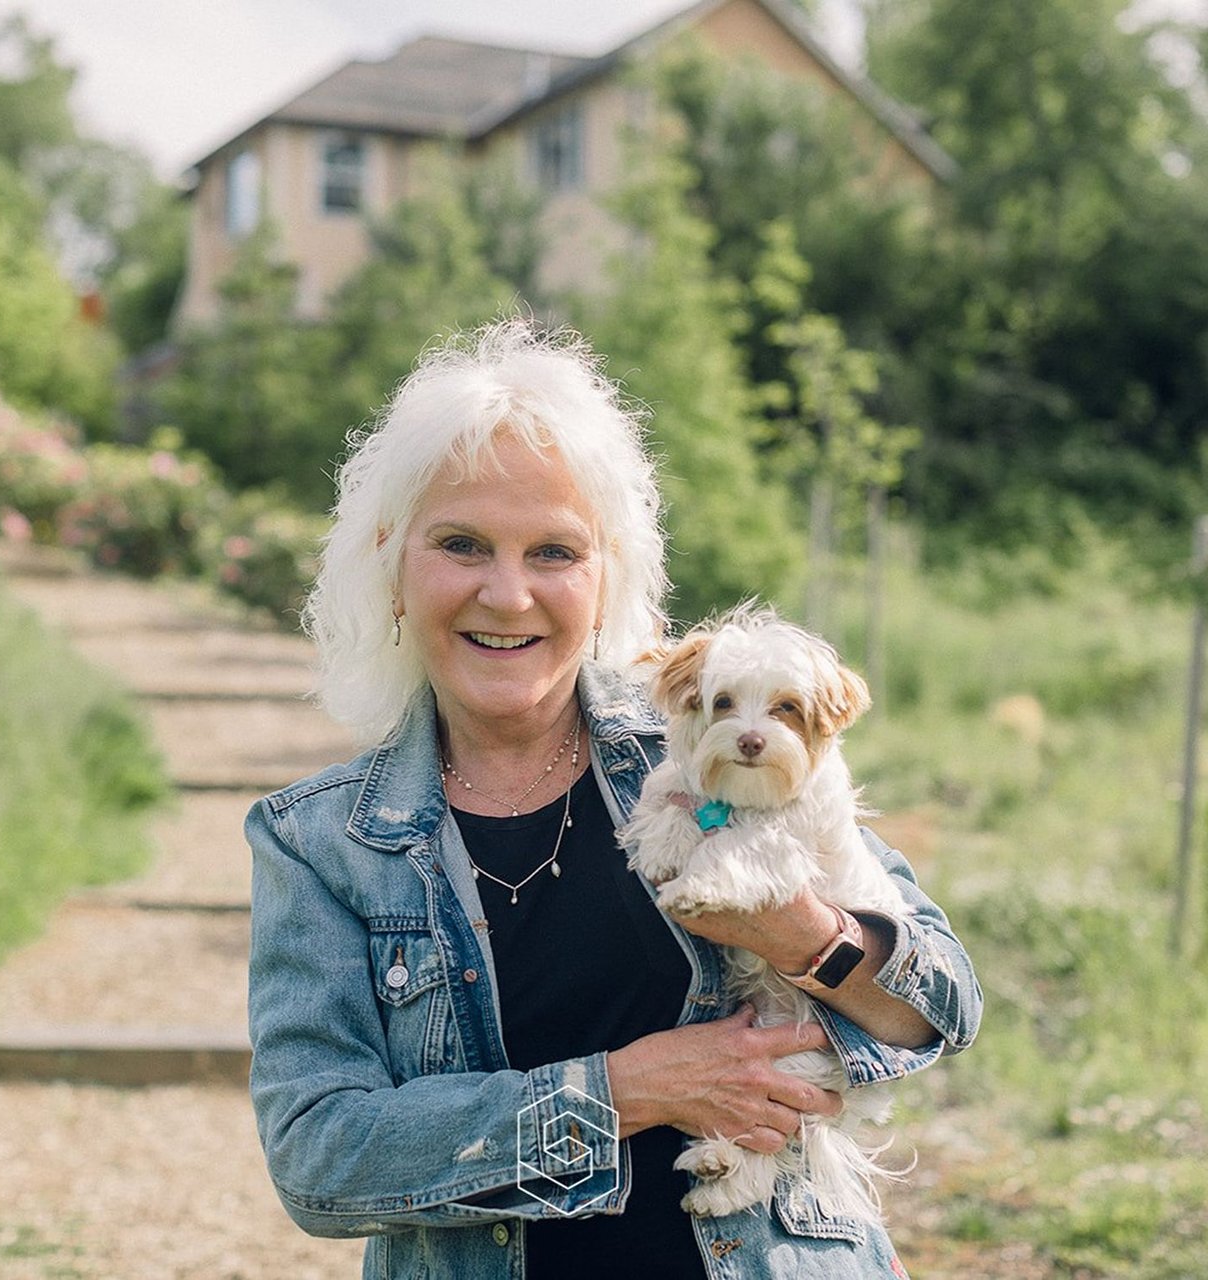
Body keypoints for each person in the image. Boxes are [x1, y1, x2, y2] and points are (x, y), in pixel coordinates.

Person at [246, 318, 982, 1279]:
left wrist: (801, 935)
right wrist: (625, 1092)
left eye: (554, 552)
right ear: (392, 565)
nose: (508, 596)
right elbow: (319, 1160)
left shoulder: (706, 761)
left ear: (606, 579)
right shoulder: (320, 842)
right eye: (463, 545)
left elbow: (942, 1010)